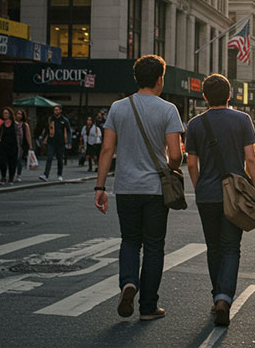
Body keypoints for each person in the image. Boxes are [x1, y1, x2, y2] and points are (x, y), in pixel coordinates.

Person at [94, 55, 184, 321]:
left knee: (130, 240)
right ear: (159, 79)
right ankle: (147, 307)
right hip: (156, 189)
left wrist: (100, 187)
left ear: (136, 78)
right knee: (154, 247)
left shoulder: (118, 108)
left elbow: (107, 149)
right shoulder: (168, 109)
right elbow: (177, 155)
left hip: (126, 188)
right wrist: (169, 164)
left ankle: (128, 283)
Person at [185, 74, 255, 327]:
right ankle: (223, 298)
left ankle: (217, 295)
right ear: (230, 95)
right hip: (235, 196)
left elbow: (192, 163)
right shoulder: (242, 120)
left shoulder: (195, 124)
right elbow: (251, 159)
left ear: (204, 96)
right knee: (230, 247)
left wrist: (199, 187)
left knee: (214, 247)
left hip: (207, 194)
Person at [40, 105, 70, 182]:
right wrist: (44, 138)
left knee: (60, 159)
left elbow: (69, 131)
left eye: (57, 110)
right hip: (51, 141)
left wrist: (69, 142)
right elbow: (47, 129)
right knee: (49, 158)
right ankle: (45, 175)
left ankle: (59, 174)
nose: (55, 111)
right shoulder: (51, 119)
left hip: (61, 143)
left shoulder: (64, 120)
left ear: (60, 111)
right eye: (54, 110)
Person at [0, 107, 20, 185]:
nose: (5, 115)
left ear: (10, 114)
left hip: (13, 146)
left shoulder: (15, 124)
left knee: (12, 162)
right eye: (4, 113)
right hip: (3, 145)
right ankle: (3, 177)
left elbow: (19, 135)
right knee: (2, 162)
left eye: (6, 113)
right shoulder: (2, 124)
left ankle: (11, 178)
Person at [14, 110, 33, 182]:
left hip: (21, 145)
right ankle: (12, 174)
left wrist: (30, 145)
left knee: (19, 160)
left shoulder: (25, 125)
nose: (19, 115)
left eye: (20, 114)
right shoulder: (12, 123)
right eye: (18, 114)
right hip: (13, 145)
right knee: (12, 160)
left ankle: (18, 174)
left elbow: (28, 135)